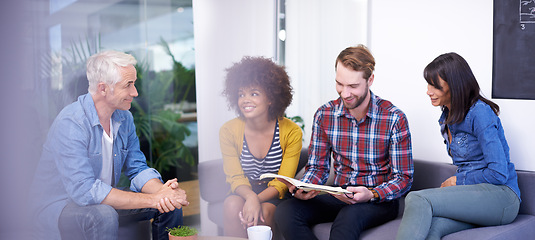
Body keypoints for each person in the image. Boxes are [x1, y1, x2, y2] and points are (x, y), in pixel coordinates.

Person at [29, 50, 189, 240]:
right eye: (128, 85)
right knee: (104, 215)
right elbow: (85, 191)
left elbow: (137, 168)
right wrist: (152, 199)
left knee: (169, 205)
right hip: (59, 205)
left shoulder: (124, 117)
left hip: (100, 200)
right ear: (103, 88)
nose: (135, 92)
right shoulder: (71, 123)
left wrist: (163, 193)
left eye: (134, 84)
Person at [274, 45, 414, 239]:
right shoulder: (324, 115)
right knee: (285, 211)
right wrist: (305, 187)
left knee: (347, 219)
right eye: (340, 84)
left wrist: (371, 194)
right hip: (339, 194)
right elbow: (318, 168)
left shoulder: (394, 118)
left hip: (377, 200)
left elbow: (404, 178)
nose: (345, 93)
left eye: (353, 86)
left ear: (370, 80)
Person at [396, 52, 521, 240]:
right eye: (428, 84)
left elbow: (499, 173)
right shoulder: (448, 117)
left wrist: (458, 181)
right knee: (432, 227)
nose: (428, 91)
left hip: (502, 197)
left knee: (417, 198)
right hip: (477, 197)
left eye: (435, 85)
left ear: (453, 85)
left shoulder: (480, 113)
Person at [219, 56, 303, 238]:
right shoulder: (228, 130)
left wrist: (256, 200)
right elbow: (235, 177)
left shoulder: (292, 131)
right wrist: (250, 197)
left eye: (254, 93)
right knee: (232, 206)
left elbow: (283, 181)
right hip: (243, 188)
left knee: (263, 213)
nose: (245, 100)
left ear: (271, 98)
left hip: (274, 193)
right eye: (241, 94)